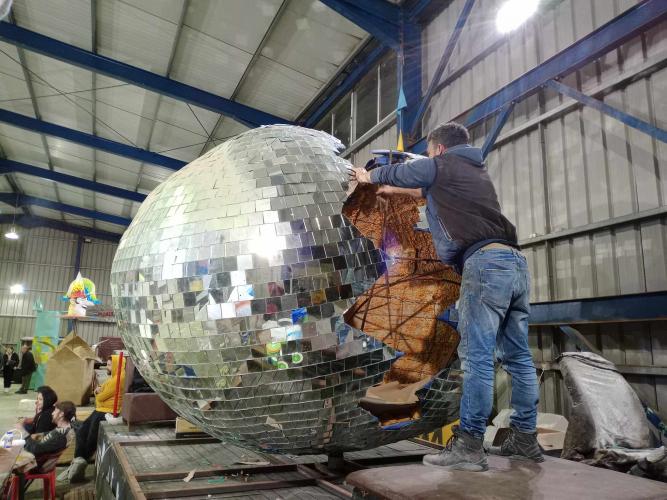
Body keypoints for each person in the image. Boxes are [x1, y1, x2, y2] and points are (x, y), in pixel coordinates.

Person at [349, 122, 541, 471]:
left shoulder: (445, 163)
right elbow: (426, 190)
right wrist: (393, 192)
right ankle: (525, 440)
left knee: (477, 358)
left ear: (438, 148)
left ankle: (469, 446)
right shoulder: (474, 172)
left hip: (484, 266)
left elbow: (411, 172)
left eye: (430, 153)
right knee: (519, 359)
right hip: (513, 264)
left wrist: (370, 177)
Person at [68, 354, 126, 482]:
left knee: (90, 438)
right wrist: (98, 392)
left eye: (110, 365)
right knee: (82, 431)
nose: (107, 367)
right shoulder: (114, 378)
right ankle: (78, 461)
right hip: (100, 409)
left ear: (117, 365)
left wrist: (98, 393)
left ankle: (79, 463)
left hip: (106, 412)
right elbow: (99, 394)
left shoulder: (119, 378)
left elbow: (100, 397)